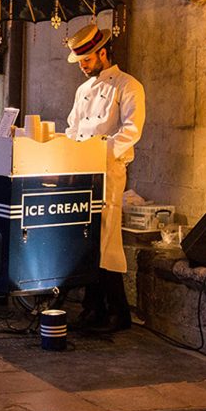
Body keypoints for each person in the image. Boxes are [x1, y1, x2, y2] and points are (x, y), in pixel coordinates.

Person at [65, 22, 145, 334]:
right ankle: (93, 307)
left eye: (86, 60)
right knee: (88, 239)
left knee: (107, 239)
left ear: (102, 53)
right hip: (81, 170)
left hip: (109, 170)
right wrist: (68, 152)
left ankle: (118, 312)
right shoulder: (82, 90)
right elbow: (73, 127)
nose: (83, 67)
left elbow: (131, 130)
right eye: (80, 62)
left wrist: (100, 152)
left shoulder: (128, 85)